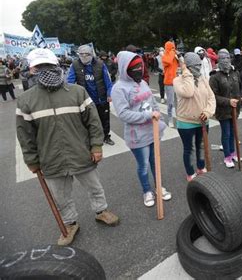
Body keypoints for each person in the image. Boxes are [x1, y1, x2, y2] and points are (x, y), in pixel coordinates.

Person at [17, 48, 119, 246]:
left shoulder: (77, 92)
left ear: (58, 67)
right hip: (51, 158)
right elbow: (25, 134)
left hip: (80, 153)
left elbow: (93, 122)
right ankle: (70, 224)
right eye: (40, 67)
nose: (45, 71)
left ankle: (101, 211)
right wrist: (31, 160)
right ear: (32, 70)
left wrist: (96, 146)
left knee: (94, 187)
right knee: (61, 197)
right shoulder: (26, 100)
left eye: (49, 66)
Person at [111, 51, 171, 207]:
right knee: (143, 164)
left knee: (155, 161)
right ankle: (147, 191)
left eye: (140, 66)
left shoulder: (143, 83)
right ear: (125, 68)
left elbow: (153, 103)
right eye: (135, 67)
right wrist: (147, 115)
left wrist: (160, 118)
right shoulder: (118, 89)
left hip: (153, 130)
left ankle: (158, 187)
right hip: (136, 135)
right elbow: (123, 114)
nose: (139, 70)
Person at [174, 52, 216, 181]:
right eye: (194, 65)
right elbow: (188, 92)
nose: (198, 68)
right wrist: (186, 72)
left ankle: (201, 167)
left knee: (201, 146)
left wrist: (208, 112)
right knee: (189, 149)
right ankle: (190, 172)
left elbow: (211, 98)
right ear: (186, 66)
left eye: (199, 65)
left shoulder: (203, 79)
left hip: (203, 120)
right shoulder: (177, 80)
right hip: (186, 122)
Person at [67, 45, 115, 146]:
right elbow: (70, 82)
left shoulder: (100, 64)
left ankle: (106, 136)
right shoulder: (75, 65)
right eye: (81, 54)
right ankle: (90, 138)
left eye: (87, 54)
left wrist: (109, 93)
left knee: (104, 119)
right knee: (87, 121)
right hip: (85, 100)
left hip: (101, 98)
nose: (84, 56)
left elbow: (108, 81)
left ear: (91, 54)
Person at [210, 49, 242, 168]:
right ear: (219, 60)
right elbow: (213, 96)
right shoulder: (215, 76)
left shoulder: (235, 72)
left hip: (235, 109)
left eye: (228, 58)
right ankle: (227, 156)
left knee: (233, 133)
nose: (226, 61)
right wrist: (228, 101)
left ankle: (234, 152)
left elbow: (240, 86)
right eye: (223, 58)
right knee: (226, 133)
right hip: (223, 110)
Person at [162, 41, 179, 128]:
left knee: (179, 102)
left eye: (174, 47)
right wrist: (172, 52)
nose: (173, 49)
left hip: (178, 81)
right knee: (170, 103)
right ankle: (170, 119)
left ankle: (180, 118)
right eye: (171, 47)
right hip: (169, 82)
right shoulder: (165, 56)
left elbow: (182, 64)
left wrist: (179, 56)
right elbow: (168, 61)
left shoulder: (175, 55)